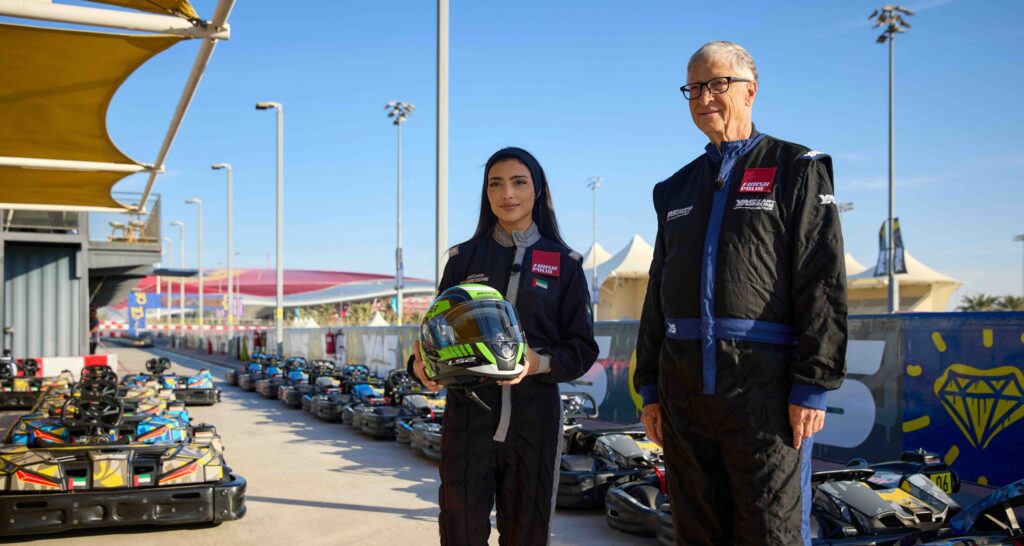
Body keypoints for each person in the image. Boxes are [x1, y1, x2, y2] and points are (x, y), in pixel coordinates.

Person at [634, 41, 848, 546]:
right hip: (684, 391)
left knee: (770, 532)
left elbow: (822, 280)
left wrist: (812, 384)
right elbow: (658, 291)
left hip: (764, 391)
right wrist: (651, 389)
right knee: (696, 531)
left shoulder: (796, 167)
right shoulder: (675, 188)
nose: (704, 97)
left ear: (750, 91)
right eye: (693, 88)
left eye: (717, 84)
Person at [411, 147, 599, 546]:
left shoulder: (565, 263)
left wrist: (537, 363)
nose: (507, 193)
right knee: (460, 535)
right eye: (495, 184)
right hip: (468, 421)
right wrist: (419, 364)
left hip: (534, 423)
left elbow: (581, 348)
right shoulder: (463, 259)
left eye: (518, 182)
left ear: (538, 190)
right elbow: (436, 331)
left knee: (526, 537)